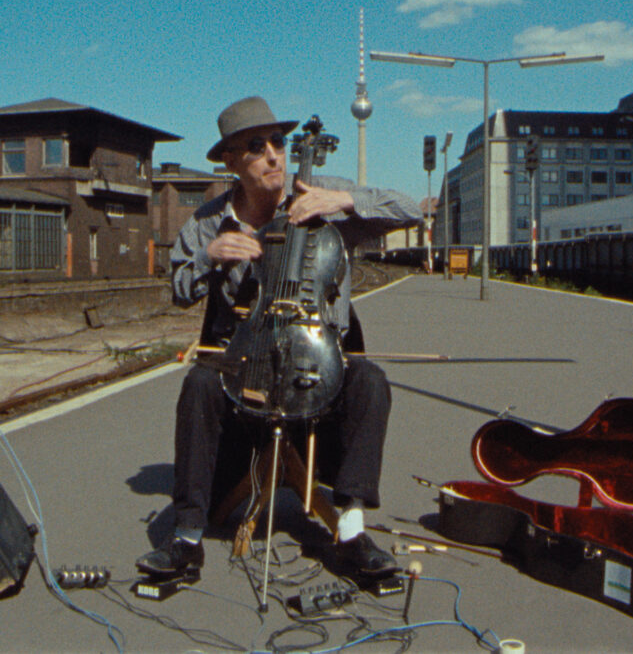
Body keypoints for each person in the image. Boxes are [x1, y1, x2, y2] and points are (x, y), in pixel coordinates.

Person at [136, 96, 422, 578]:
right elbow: (179, 290)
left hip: (318, 373)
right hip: (245, 378)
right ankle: (186, 538)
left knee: (370, 379)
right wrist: (209, 256)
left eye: (278, 143)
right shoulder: (208, 221)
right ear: (230, 160)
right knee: (199, 383)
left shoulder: (321, 193)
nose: (273, 155)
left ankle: (351, 529)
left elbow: (411, 210)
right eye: (256, 146)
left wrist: (344, 201)